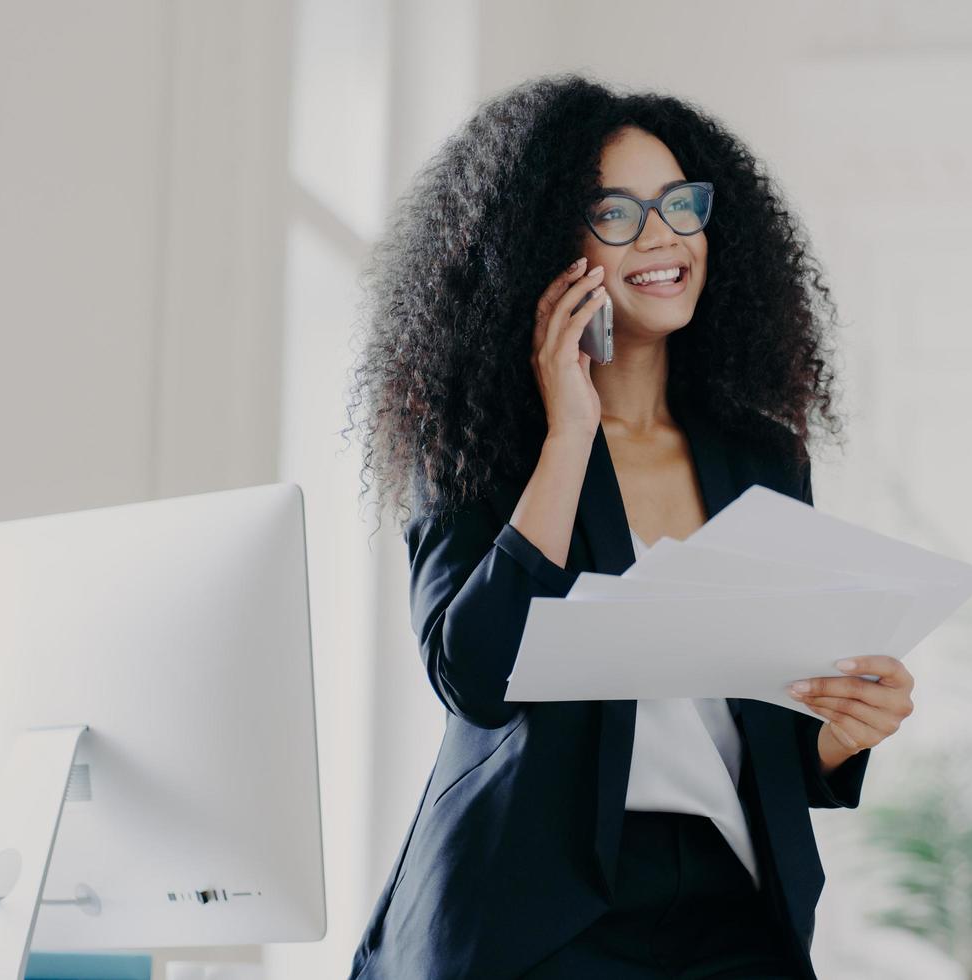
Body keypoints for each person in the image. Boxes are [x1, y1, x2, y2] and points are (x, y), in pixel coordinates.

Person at [342, 73, 916, 980]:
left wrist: (840, 733)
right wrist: (569, 434)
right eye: (617, 212)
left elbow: (750, 715)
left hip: (730, 905)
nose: (663, 236)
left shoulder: (760, 457)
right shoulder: (479, 450)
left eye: (680, 205)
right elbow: (476, 677)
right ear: (546, 246)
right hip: (538, 910)